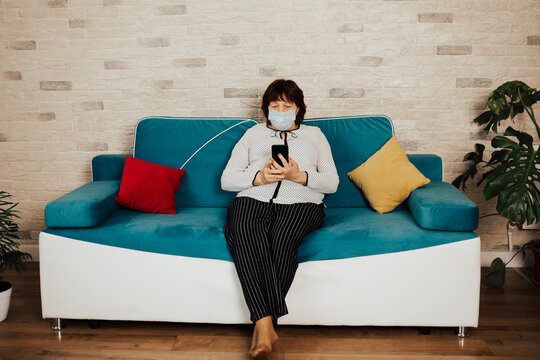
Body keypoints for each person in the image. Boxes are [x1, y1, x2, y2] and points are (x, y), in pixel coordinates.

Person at [221, 79, 339, 358]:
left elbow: (332, 183)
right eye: (275, 105)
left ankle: (265, 321)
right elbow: (227, 179)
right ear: (266, 109)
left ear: (298, 108)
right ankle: (264, 323)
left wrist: (299, 176)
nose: (281, 110)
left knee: (281, 239)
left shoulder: (315, 135)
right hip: (253, 198)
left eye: (287, 105)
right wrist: (260, 177)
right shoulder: (252, 134)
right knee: (241, 231)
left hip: (302, 203)